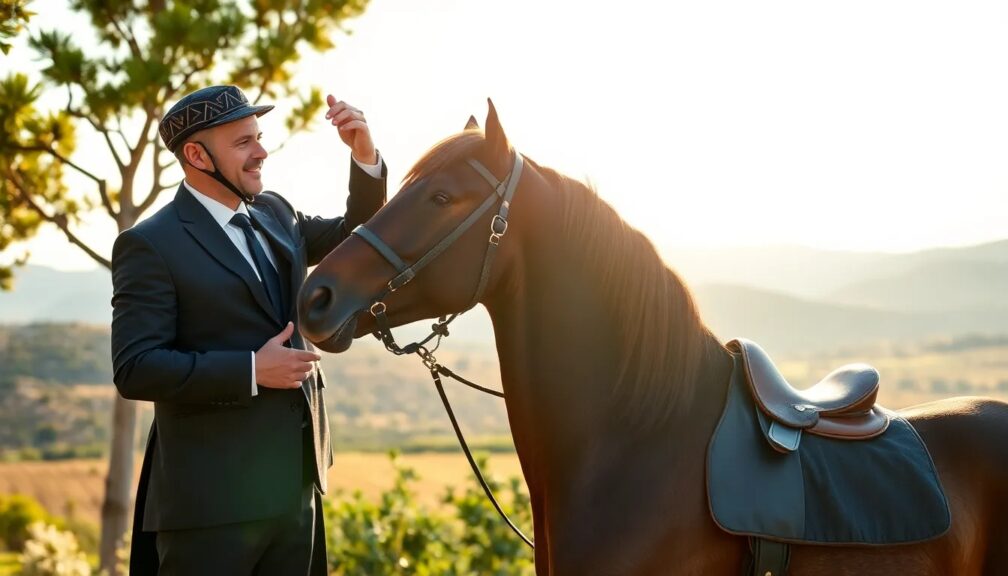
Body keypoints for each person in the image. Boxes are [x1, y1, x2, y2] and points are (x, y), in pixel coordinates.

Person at [110, 84, 386, 575]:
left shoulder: (276, 212)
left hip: (296, 491)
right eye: (243, 142)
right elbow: (136, 368)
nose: (261, 152)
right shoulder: (150, 244)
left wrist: (364, 157)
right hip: (208, 509)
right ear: (195, 154)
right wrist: (252, 370)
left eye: (258, 137)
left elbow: (355, 240)